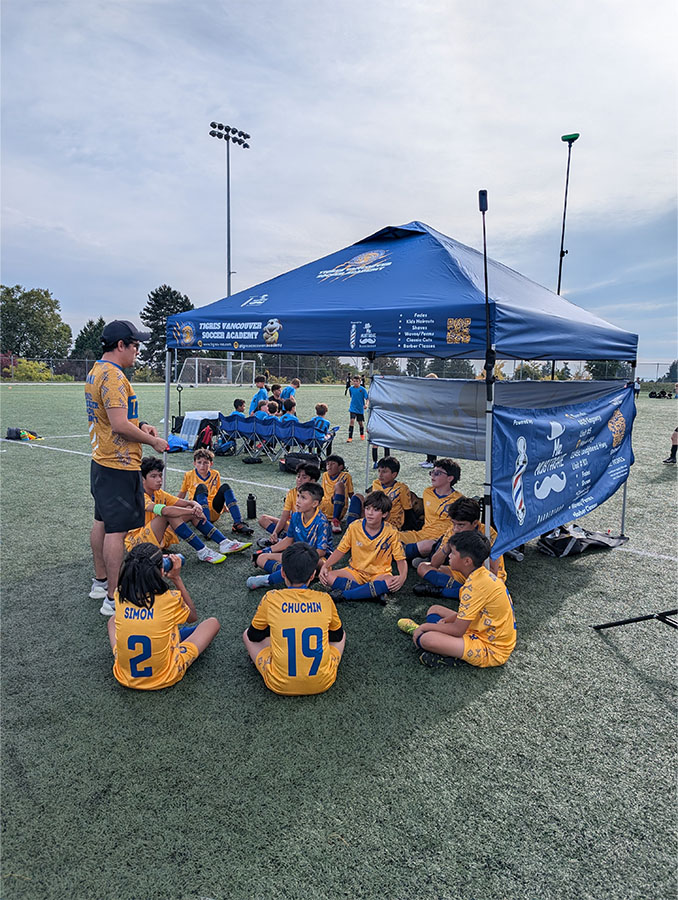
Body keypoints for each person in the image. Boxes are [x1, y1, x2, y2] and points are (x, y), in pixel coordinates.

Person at [86, 320, 169, 616]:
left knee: (102, 522)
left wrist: (142, 424)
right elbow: (120, 426)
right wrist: (152, 441)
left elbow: (117, 418)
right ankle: (113, 596)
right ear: (120, 345)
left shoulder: (97, 371)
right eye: (134, 345)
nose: (137, 351)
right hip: (118, 464)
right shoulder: (112, 376)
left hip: (102, 461)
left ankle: (100, 582)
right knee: (117, 531)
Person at [108, 542, 220, 690]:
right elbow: (193, 616)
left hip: (125, 675)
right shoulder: (169, 598)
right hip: (165, 676)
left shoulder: (119, 593)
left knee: (112, 620)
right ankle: (175, 641)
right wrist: (176, 579)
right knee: (212, 623)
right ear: (161, 571)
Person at [397, 531, 516, 669]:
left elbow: (458, 630)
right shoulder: (480, 575)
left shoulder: (475, 587)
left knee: (426, 639)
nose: (449, 556)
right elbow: (470, 614)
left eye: (453, 553)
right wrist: (446, 622)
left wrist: (424, 627)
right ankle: (443, 644)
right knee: (434, 609)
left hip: (491, 649)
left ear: (467, 561)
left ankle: (436, 644)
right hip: (481, 628)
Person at [243, 543, 345, 696]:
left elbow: (253, 636)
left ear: (283, 572)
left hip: (278, 684)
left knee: (246, 634)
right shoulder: (325, 599)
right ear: (312, 576)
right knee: (341, 635)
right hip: (323, 682)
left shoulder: (271, 598)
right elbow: (336, 636)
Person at [126, 456, 250, 561]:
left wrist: (195, 505)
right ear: (142, 479)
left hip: (157, 536)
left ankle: (224, 543)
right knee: (168, 513)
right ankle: (202, 551)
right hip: (139, 543)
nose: (159, 480)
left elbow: (184, 502)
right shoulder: (139, 496)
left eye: (160, 475)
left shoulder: (158, 493)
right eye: (153, 476)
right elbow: (165, 511)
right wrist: (192, 510)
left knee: (181, 513)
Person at [319, 491, 408, 604]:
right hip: (355, 572)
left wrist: (403, 577)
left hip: (379, 575)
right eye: (367, 508)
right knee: (328, 576)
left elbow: (400, 559)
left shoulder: (391, 532)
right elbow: (340, 551)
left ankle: (346, 595)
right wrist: (326, 566)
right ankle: (371, 592)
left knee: (390, 581)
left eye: (375, 510)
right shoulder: (354, 527)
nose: (370, 513)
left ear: (384, 514)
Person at [413, 497, 505, 599]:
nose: (456, 529)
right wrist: (448, 546)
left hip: (485, 578)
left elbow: (493, 572)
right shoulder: (452, 531)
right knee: (422, 567)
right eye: (453, 523)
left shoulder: (489, 535)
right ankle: (463, 591)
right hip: (461, 574)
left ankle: (442, 592)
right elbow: (434, 564)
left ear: (475, 523)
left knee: (490, 591)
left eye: (461, 525)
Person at [248, 483, 332, 588]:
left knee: (308, 564)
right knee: (261, 558)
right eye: (298, 496)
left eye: (303, 498)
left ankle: (269, 580)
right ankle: (297, 575)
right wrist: (267, 550)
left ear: (314, 503)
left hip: (317, 558)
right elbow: (289, 540)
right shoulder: (296, 516)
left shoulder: (322, 522)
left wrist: (299, 558)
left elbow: (321, 551)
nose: (298, 500)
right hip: (296, 555)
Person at [177, 448, 255, 537]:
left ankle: (238, 523)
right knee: (201, 487)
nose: (202, 465)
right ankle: (206, 527)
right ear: (194, 463)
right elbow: (182, 494)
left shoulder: (215, 474)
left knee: (226, 487)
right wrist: (173, 506)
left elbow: (219, 491)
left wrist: (225, 507)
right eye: (199, 462)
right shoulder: (188, 475)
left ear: (211, 464)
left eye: (206, 463)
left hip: (214, 510)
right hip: (198, 511)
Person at [399, 458, 463, 562]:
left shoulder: (459, 500)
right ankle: (421, 557)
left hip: (440, 540)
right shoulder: (427, 492)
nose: (433, 475)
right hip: (422, 534)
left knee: (427, 545)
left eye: (438, 473)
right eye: (432, 472)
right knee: (392, 535)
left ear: (450, 478)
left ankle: (395, 554)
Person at [257, 461, 321, 545]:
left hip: (308, 529)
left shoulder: (318, 496)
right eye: (298, 476)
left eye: (304, 477)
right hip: (294, 526)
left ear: (313, 481)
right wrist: (275, 532)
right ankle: (282, 540)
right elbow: (284, 516)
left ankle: (286, 542)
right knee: (263, 519)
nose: (299, 480)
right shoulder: (291, 493)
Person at [346, 455, 413, 531]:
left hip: (390, 521)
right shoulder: (376, 483)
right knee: (357, 497)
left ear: (394, 475)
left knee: (380, 508)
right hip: (375, 515)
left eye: (384, 472)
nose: (380, 475)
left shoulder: (401, 488)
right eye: (379, 471)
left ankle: (360, 529)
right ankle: (350, 529)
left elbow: (408, 510)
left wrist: (408, 529)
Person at [320, 454, 354, 534]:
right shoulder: (325, 475)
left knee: (339, 485)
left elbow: (351, 494)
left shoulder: (345, 476)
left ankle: (335, 520)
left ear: (340, 467)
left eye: (332, 464)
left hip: (336, 505)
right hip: (323, 507)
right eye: (328, 464)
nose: (329, 466)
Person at [420, 373, 439, 468]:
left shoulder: (436, 392)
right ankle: (428, 459)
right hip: (427, 418)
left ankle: (433, 461)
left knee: (432, 440)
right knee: (427, 439)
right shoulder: (428, 392)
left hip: (434, 419)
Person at [346, 374, 368, 442]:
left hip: (360, 409)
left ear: (360, 381)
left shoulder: (363, 389)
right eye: (354, 381)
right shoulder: (351, 389)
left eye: (357, 381)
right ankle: (350, 437)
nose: (355, 382)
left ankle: (362, 434)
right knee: (352, 421)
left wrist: (366, 405)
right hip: (352, 408)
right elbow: (352, 396)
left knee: (360, 423)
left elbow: (367, 398)